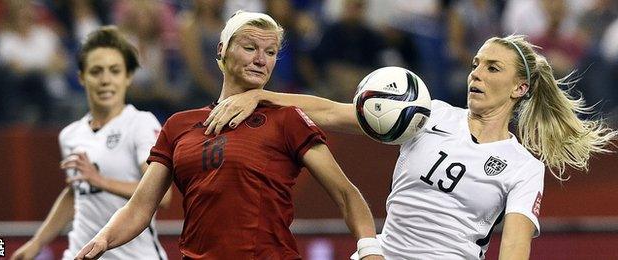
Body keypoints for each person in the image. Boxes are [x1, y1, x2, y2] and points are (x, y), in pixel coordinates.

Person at [202, 35, 618, 259]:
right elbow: (331, 112)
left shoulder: (523, 166)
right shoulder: (428, 114)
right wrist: (262, 96)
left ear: (519, 88)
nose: (476, 73)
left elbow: (514, 247)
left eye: (492, 68)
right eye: (475, 64)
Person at [74, 11, 384, 260]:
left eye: (271, 52)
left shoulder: (287, 119)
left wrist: (369, 249)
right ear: (222, 50)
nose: (261, 60)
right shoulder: (179, 125)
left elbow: (346, 193)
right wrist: (102, 240)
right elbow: (140, 208)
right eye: (250, 48)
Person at [11, 26, 171, 260]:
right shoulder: (70, 134)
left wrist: (100, 180)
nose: (105, 80)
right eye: (96, 71)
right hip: (80, 253)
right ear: (81, 77)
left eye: (114, 71)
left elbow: (162, 196)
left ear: (127, 77)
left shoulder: (141, 124)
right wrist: (37, 242)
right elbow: (77, 191)